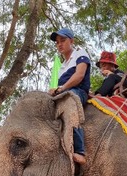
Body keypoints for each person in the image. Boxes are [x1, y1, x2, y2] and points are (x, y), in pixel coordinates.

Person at [49, 27, 91, 165]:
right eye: (57, 42)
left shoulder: (80, 53)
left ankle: (80, 150)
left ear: (71, 41)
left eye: (62, 40)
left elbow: (79, 76)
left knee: (69, 100)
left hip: (77, 92)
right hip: (63, 92)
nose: (59, 44)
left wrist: (61, 88)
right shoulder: (61, 66)